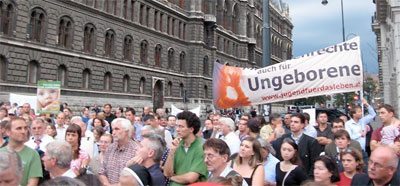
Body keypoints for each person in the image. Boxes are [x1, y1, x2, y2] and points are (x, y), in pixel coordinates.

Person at [164, 111, 208, 186]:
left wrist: (172, 177)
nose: (177, 129)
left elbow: (191, 178)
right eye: (177, 126)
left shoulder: (202, 147)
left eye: (181, 126)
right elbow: (167, 173)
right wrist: (172, 152)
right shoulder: (177, 144)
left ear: (191, 129)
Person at [0, 118, 43, 186]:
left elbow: (32, 183)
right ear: (8, 132)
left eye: (25, 128)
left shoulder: (33, 154)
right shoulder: (1, 153)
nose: (23, 131)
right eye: (19, 128)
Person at [98, 118, 138, 185]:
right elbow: (102, 171)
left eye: (117, 129)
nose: (113, 133)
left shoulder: (135, 150)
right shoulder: (110, 148)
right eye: (113, 129)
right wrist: (107, 184)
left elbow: (134, 179)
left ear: (126, 131)